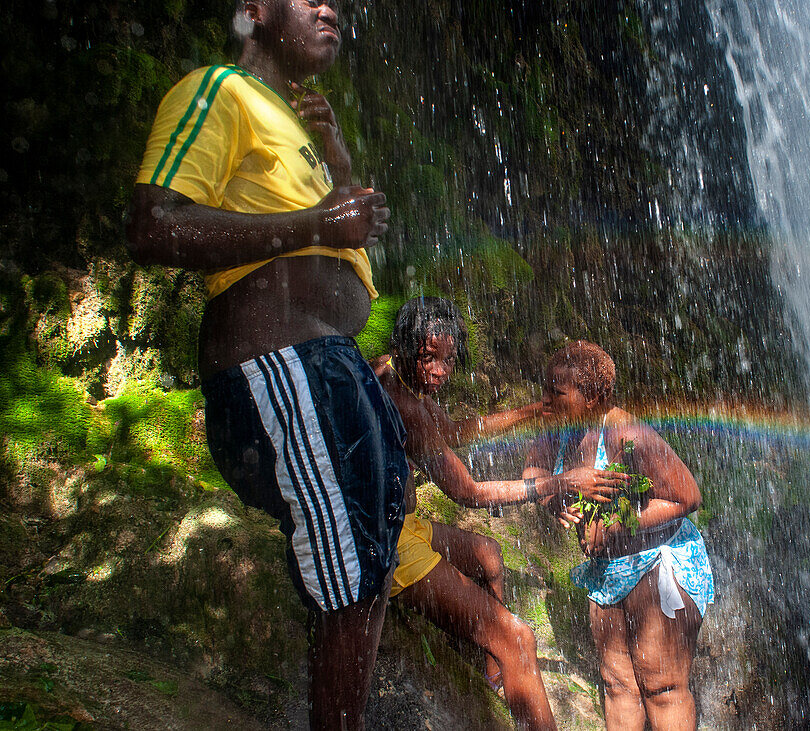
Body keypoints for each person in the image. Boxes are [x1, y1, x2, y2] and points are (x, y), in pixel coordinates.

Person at [125, 2, 405, 729]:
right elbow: (153, 224)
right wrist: (316, 225)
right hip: (279, 361)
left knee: (371, 558)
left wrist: (339, 174)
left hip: (330, 363)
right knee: (348, 572)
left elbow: (328, 231)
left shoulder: (302, 133)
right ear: (253, 11)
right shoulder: (217, 89)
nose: (329, 7)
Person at [374, 297, 627, 731]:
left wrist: (529, 411)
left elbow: (451, 432)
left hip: (401, 520)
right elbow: (469, 494)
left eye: (448, 361)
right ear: (405, 344)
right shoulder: (407, 404)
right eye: (428, 358)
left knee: (489, 556)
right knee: (519, 638)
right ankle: (507, 657)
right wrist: (560, 483)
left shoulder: (390, 373)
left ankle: (495, 670)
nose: (439, 372)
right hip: (386, 542)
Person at [524, 341, 715, 730]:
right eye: (546, 387)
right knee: (617, 683)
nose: (546, 399)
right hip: (607, 570)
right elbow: (533, 475)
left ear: (594, 396)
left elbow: (688, 496)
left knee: (662, 687)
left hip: (658, 563)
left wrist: (614, 525)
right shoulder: (557, 428)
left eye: (557, 392)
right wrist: (555, 500)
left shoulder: (628, 433)